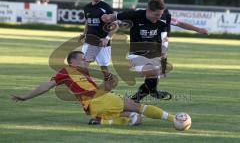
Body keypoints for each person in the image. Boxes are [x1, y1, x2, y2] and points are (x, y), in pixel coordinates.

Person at [12, 51, 176, 126]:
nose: (86, 62)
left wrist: (108, 84)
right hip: (99, 100)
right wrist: (26, 96)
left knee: (136, 119)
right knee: (139, 107)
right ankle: (174, 119)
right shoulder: (67, 71)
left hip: (93, 106)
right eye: (83, 59)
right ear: (73, 63)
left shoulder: (83, 74)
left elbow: (99, 88)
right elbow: (46, 85)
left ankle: (103, 120)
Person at [102, 0, 174, 102]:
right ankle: (152, 92)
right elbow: (117, 16)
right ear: (149, 10)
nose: (159, 17)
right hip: (137, 55)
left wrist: (163, 60)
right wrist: (108, 17)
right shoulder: (136, 15)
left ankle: (134, 101)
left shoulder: (162, 20)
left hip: (153, 55)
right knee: (154, 73)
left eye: (160, 14)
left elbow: (165, 40)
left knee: (151, 82)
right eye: (157, 14)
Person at [78, 0, 117, 89]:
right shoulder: (87, 8)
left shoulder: (106, 8)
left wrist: (107, 38)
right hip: (90, 41)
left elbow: (115, 26)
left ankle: (110, 83)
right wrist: (84, 33)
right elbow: (87, 22)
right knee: (83, 64)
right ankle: (88, 87)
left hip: (102, 43)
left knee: (104, 68)